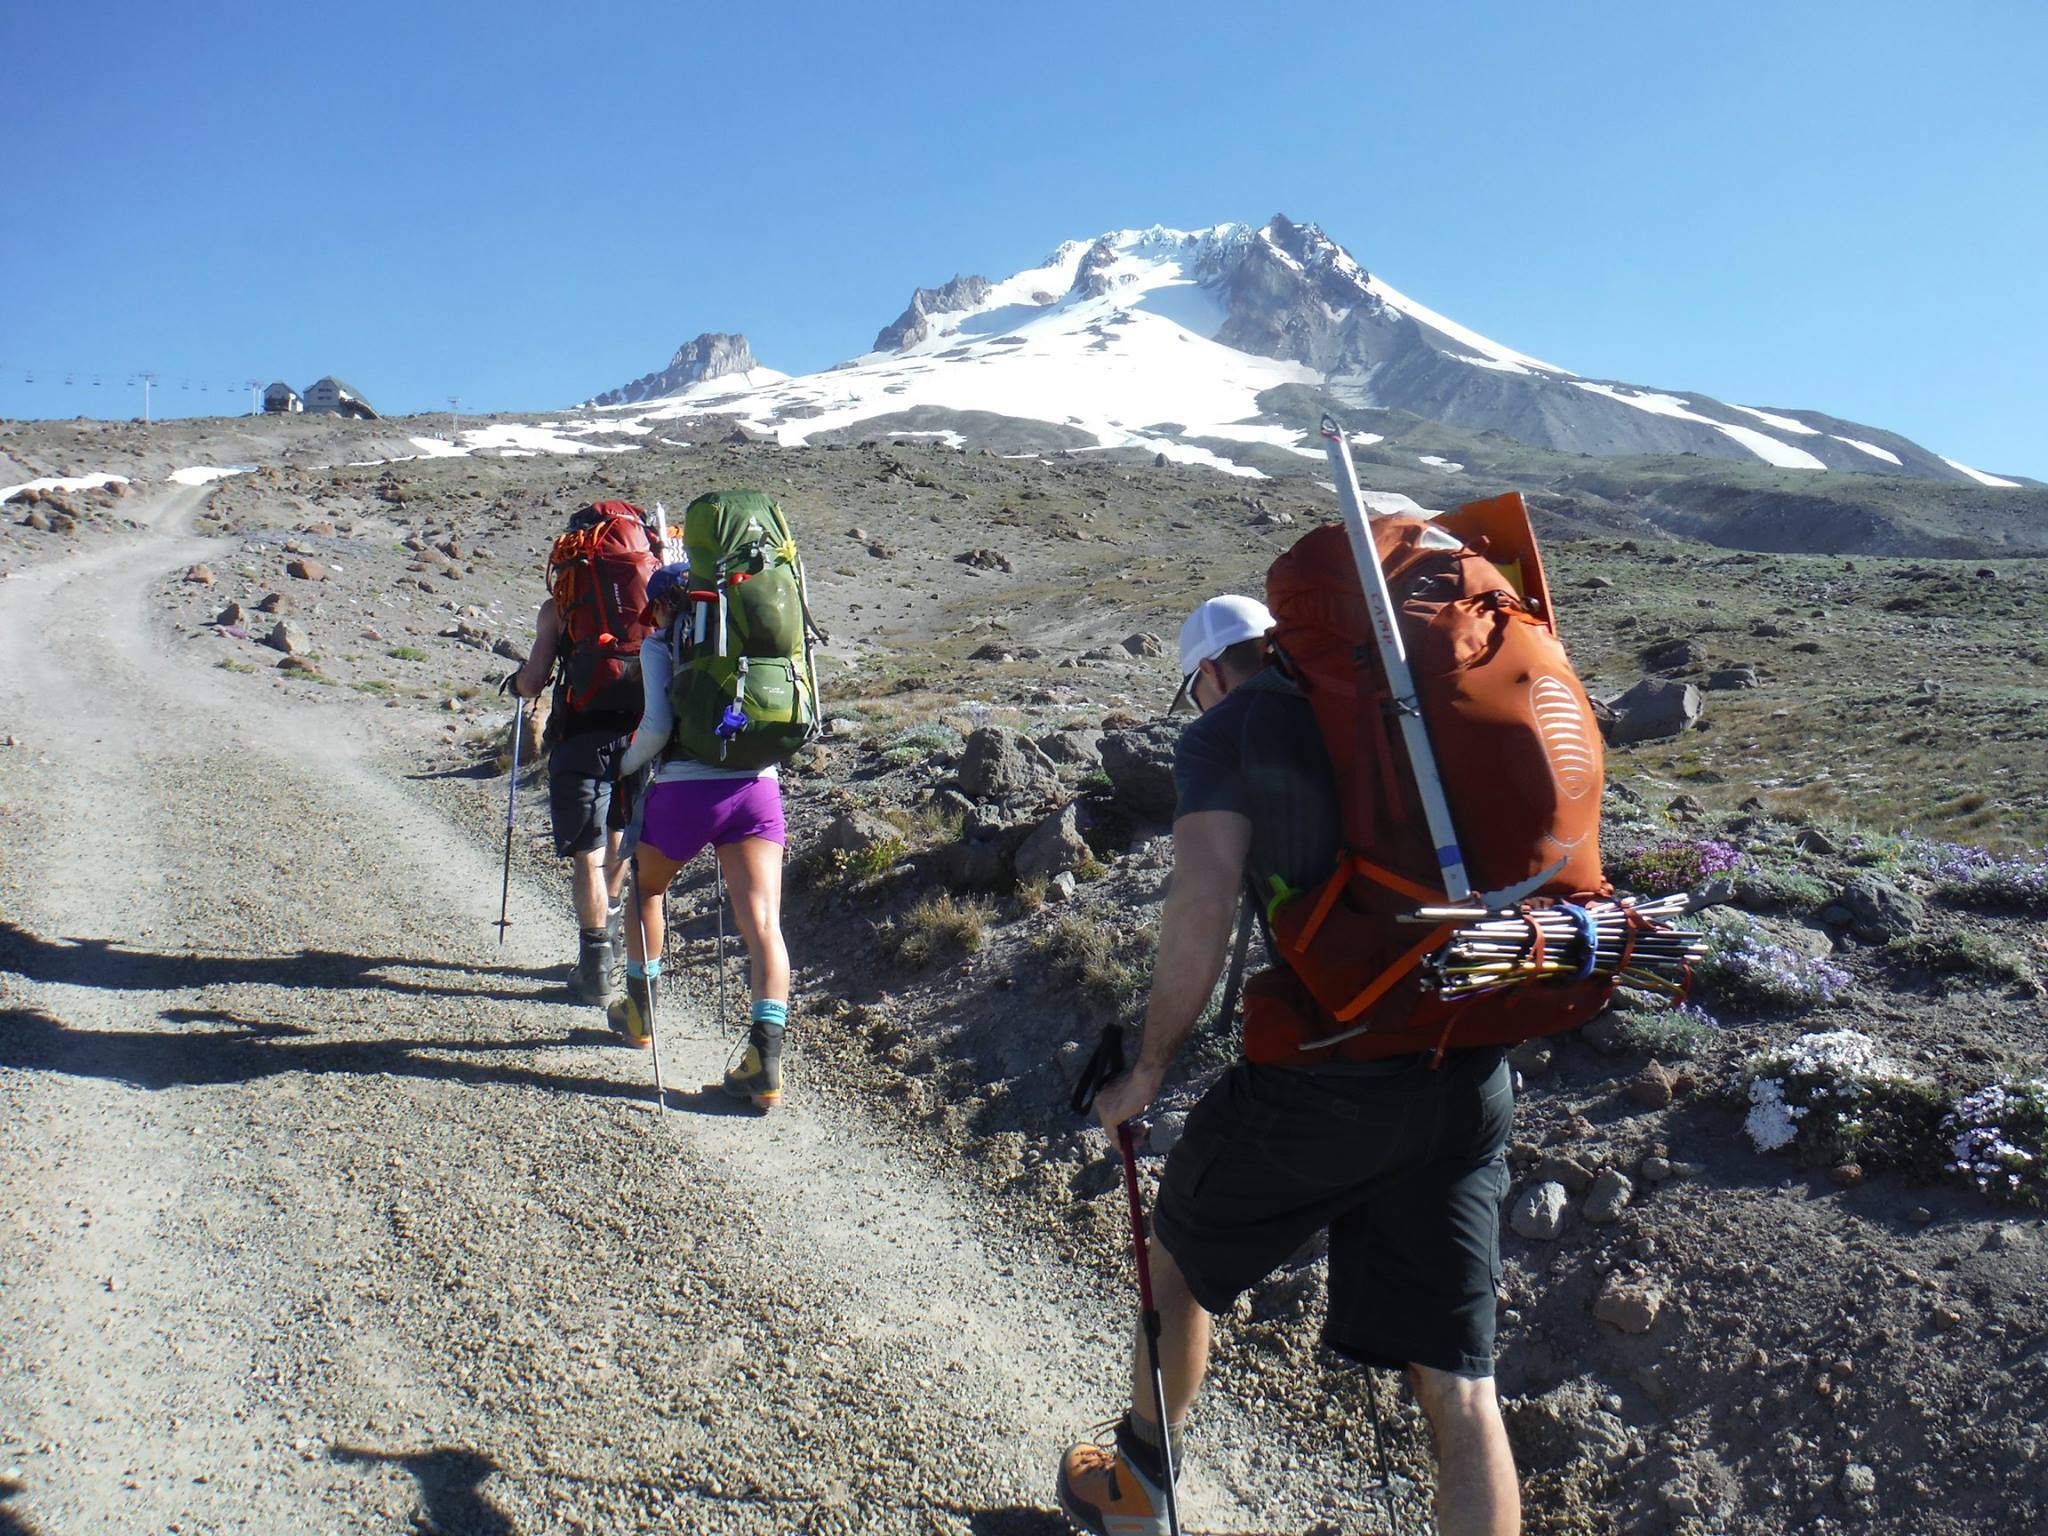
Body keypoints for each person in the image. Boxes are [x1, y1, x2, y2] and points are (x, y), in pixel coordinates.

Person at [1057, 595, 1523, 1536]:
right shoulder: (1397, 707)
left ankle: (1138, 1489)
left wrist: (1147, 1067)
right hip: (1470, 1061)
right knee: (1461, 1383)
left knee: (1179, 1262)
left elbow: (1202, 904)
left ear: (1213, 674)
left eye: (1196, 693)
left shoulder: (1230, 729)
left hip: (1330, 1071)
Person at [608, 561, 792, 1109]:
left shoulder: (663, 645)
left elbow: (659, 727)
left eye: (655, 610)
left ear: (665, 605)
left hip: (686, 791)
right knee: (763, 923)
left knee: (647, 890)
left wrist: (623, 765)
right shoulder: (754, 644)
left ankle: (640, 1011)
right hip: (758, 789)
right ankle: (765, 1063)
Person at [503, 593, 635, 1004]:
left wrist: (515, 684)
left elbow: (533, 680)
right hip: (642, 735)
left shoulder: (560, 605)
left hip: (582, 738)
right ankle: (610, 939)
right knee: (620, 834)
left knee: (588, 853)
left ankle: (595, 969)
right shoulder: (647, 592)